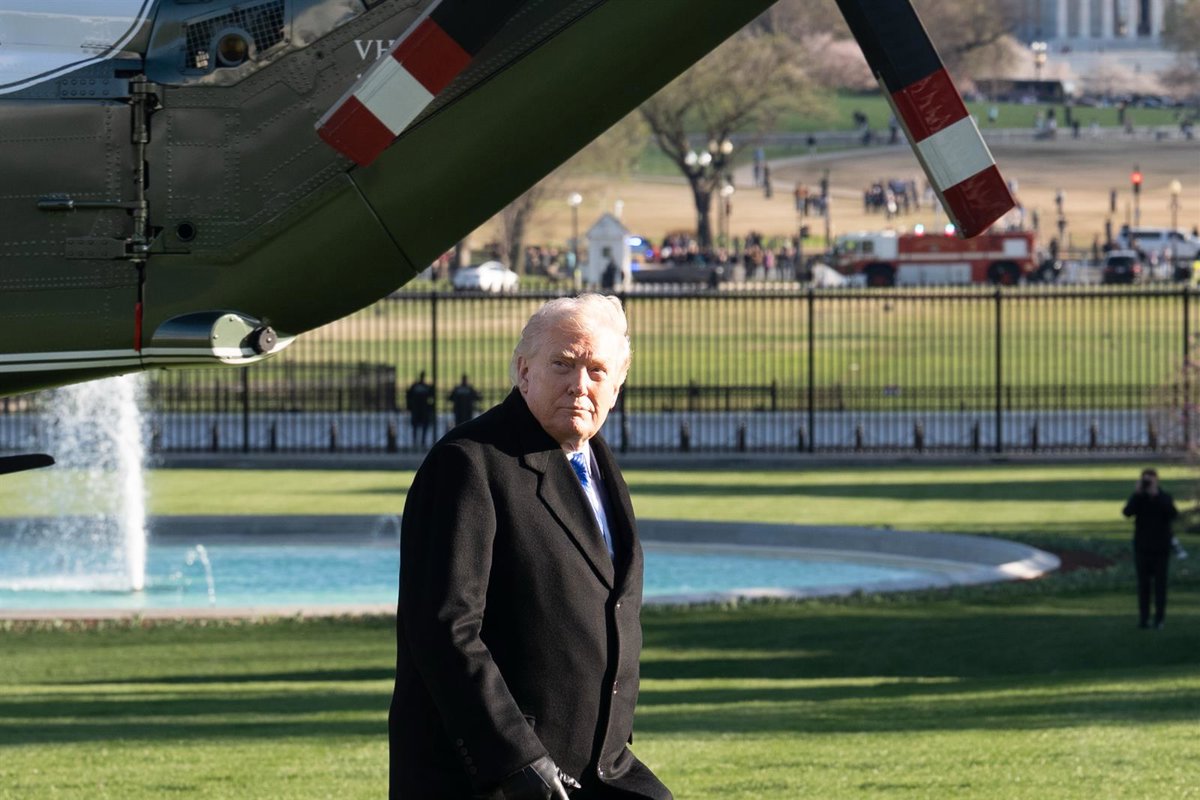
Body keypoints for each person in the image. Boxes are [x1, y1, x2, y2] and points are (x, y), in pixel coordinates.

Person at [390, 295, 671, 800]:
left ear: (617, 385)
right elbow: (445, 629)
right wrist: (516, 760)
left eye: (597, 370)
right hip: (501, 777)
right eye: (562, 364)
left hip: (599, 768)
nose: (580, 384)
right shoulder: (467, 464)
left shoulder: (598, 465)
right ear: (523, 371)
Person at [1122, 469, 1180, 629]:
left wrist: (1156, 496)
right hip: (1142, 547)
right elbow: (1127, 512)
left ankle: (1159, 619)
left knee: (1160, 585)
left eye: (1150, 480)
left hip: (1161, 548)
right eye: (1145, 480)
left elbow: (1173, 514)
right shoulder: (1139, 498)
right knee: (1143, 586)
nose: (1148, 483)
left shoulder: (1164, 497)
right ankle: (1144, 619)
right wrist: (1136, 494)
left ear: (1157, 480)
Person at [405, 371, 435, 448]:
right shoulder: (425, 387)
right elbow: (431, 397)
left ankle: (417, 441)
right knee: (422, 426)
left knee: (417, 426)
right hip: (422, 409)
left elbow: (408, 396)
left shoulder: (416, 386)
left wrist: (409, 407)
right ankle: (421, 441)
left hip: (417, 409)